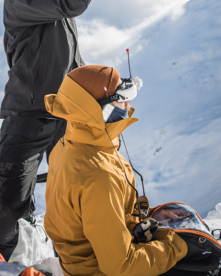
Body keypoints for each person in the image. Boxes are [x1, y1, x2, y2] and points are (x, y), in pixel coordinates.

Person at [0, 0, 110, 261]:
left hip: (67, 111)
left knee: (84, 189)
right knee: (9, 203)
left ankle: (88, 260)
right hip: (29, 113)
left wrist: (95, 91)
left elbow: (67, 55)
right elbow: (74, 2)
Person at [44, 65, 188, 276]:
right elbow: (121, 266)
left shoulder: (72, 144)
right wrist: (179, 245)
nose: (128, 104)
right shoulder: (98, 174)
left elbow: (100, 214)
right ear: (93, 108)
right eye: (121, 97)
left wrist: (151, 217)